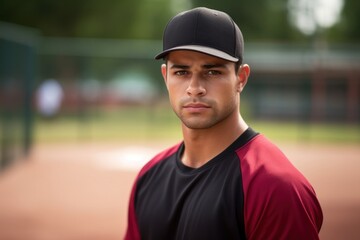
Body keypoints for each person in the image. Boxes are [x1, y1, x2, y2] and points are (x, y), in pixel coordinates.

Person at [125, 7, 323, 240]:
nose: (194, 87)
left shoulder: (274, 187)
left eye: (212, 72)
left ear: (241, 78)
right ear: (165, 77)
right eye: (181, 72)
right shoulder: (149, 177)